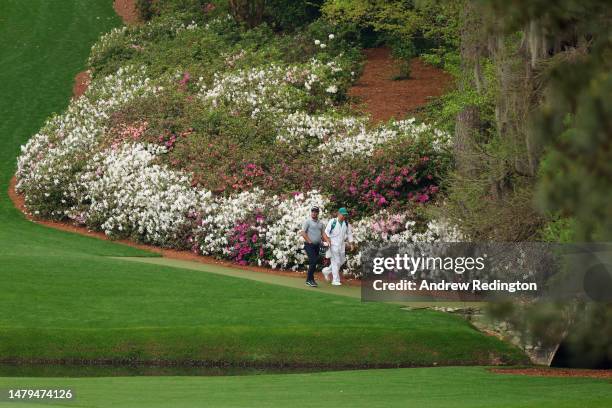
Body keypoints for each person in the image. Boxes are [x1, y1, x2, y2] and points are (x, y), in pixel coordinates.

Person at [322, 207, 354, 286]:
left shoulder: (346, 223)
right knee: (335, 262)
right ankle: (335, 280)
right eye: (343, 215)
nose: (344, 216)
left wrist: (351, 244)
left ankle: (326, 271)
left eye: (345, 215)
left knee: (342, 261)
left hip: (341, 246)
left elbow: (349, 234)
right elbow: (325, 233)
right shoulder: (332, 222)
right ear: (338, 214)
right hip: (333, 245)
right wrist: (328, 241)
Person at [301, 206, 325, 287]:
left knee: (314, 262)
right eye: (313, 211)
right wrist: (309, 241)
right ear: (311, 212)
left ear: (318, 213)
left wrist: (327, 241)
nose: (314, 213)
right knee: (313, 261)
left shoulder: (321, 223)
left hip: (317, 245)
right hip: (309, 245)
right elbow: (303, 233)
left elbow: (323, 233)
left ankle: (311, 279)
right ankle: (309, 280)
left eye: (316, 211)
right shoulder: (308, 222)